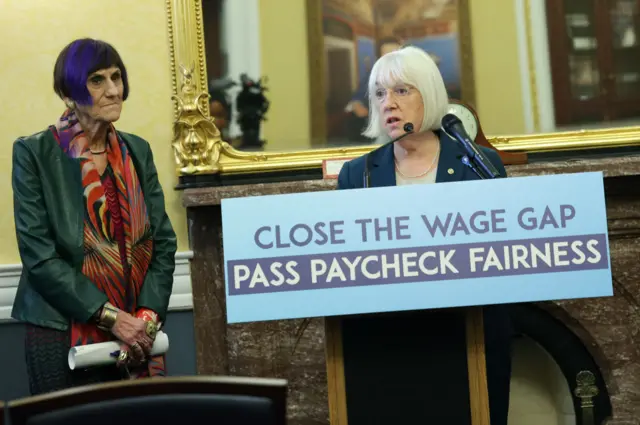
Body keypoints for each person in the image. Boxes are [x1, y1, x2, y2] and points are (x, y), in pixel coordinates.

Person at [336, 46, 513, 425]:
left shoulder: (477, 163)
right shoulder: (357, 174)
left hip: (470, 332)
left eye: (402, 91)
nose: (389, 103)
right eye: (380, 94)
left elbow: (504, 250)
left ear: (429, 94)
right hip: (390, 339)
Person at [11, 38, 177, 395]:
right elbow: (39, 258)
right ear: (68, 92)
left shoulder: (137, 151)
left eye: (117, 77)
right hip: (61, 335)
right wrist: (112, 318)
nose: (114, 90)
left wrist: (145, 318)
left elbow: (162, 243)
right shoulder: (34, 153)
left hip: (137, 336)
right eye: (97, 80)